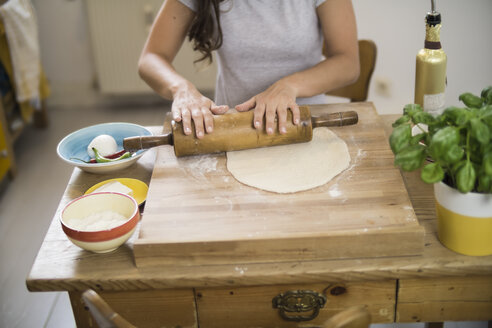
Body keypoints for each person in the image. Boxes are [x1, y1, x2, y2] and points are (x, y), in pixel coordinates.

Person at [138, 0, 359, 139]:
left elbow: (348, 62)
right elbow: (151, 57)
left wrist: (288, 86)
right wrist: (181, 89)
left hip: (306, 124)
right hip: (233, 127)